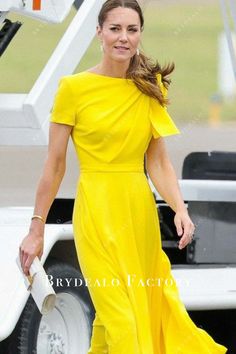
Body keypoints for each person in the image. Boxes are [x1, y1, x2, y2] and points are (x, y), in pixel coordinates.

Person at [19, 0, 228, 353]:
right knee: (123, 322)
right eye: (115, 28)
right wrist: (36, 227)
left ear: (140, 35)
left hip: (138, 215)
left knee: (114, 321)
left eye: (132, 30)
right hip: (96, 214)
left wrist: (180, 209)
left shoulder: (150, 87)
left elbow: (158, 162)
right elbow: (54, 166)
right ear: (98, 32)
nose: (123, 38)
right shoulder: (73, 89)